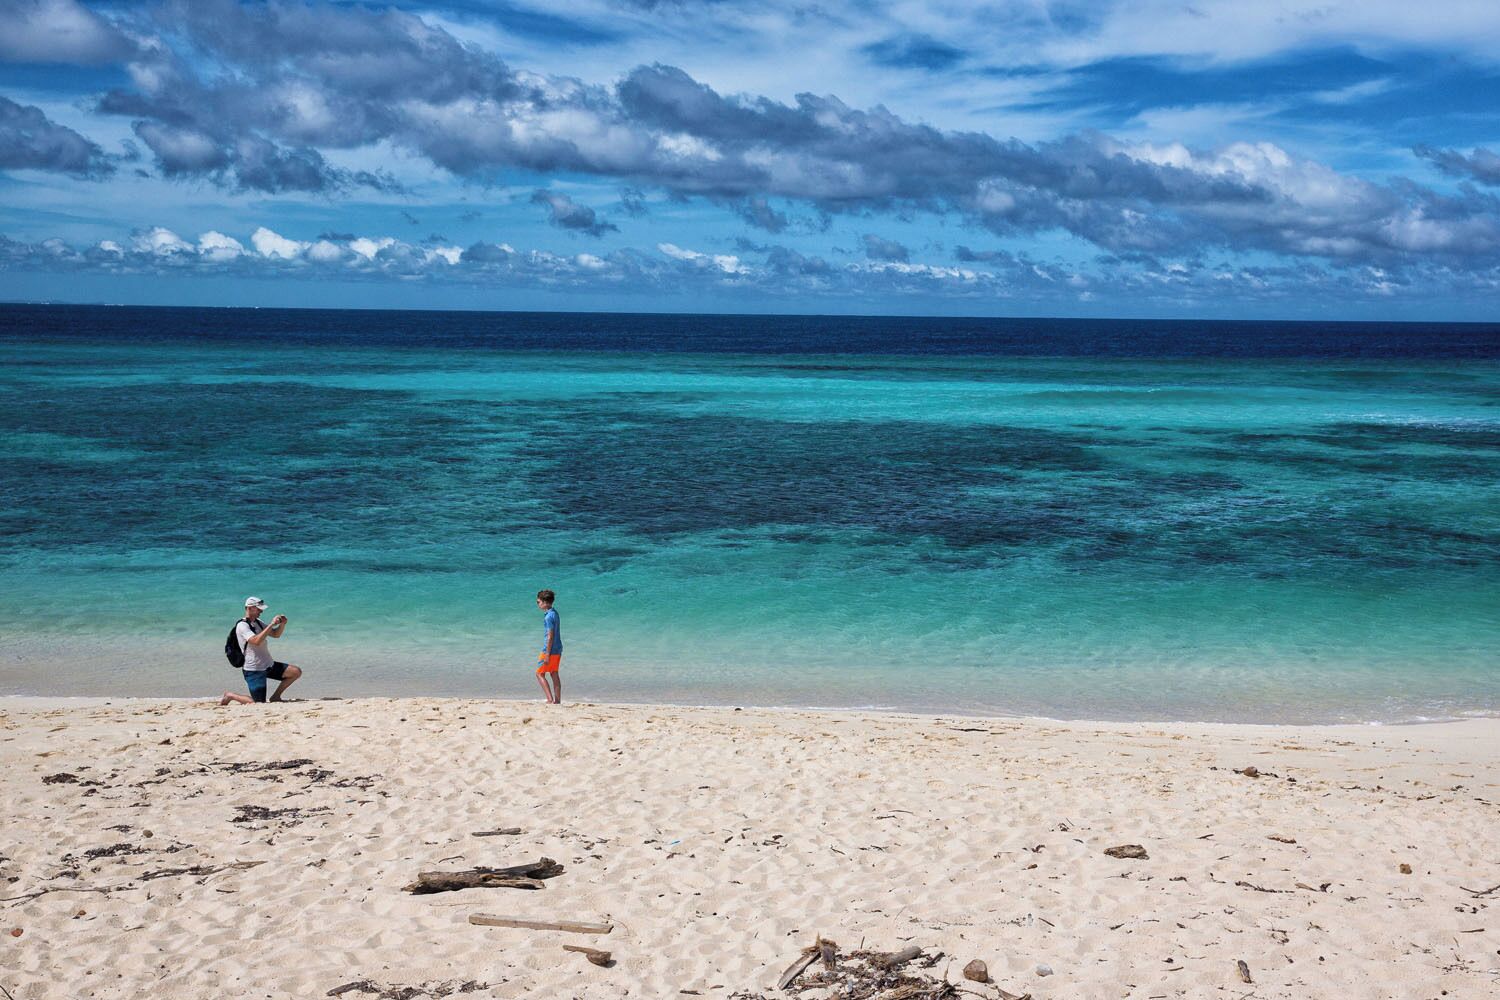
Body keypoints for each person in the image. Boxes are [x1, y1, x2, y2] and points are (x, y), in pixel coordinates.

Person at [220, 596, 303, 705]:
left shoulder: (258, 622)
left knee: (295, 672)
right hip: (253, 670)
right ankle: (230, 695)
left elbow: (275, 634)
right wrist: (272, 624)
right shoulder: (242, 625)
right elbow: (256, 641)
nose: (261, 611)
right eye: (259, 609)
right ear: (249, 608)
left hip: (268, 665)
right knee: (257, 703)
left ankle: (276, 696)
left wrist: (282, 624)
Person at [535, 589, 562, 704]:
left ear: (545, 602)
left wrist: (547, 654)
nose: (538, 604)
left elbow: (550, 636)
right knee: (554, 673)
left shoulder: (548, 617)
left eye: (538, 602)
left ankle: (550, 699)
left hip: (549, 650)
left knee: (539, 673)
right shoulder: (555, 613)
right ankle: (557, 700)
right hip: (558, 648)